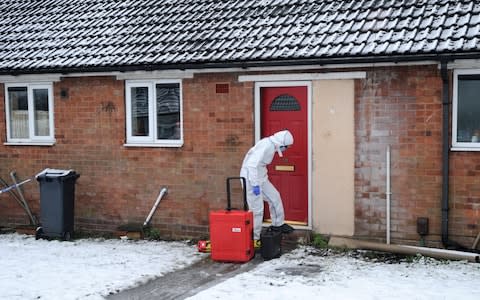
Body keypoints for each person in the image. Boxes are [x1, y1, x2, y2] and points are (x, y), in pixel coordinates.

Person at [240, 129, 295, 249]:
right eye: (287, 147)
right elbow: (251, 165)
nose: (287, 149)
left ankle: (278, 224)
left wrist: (260, 180)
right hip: (251, 179)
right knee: (257, 210)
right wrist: (254, 184)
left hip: (261, 178)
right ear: (281, 143)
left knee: (275, 197)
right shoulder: (266, 145)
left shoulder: (272, 146)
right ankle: (254, 239)